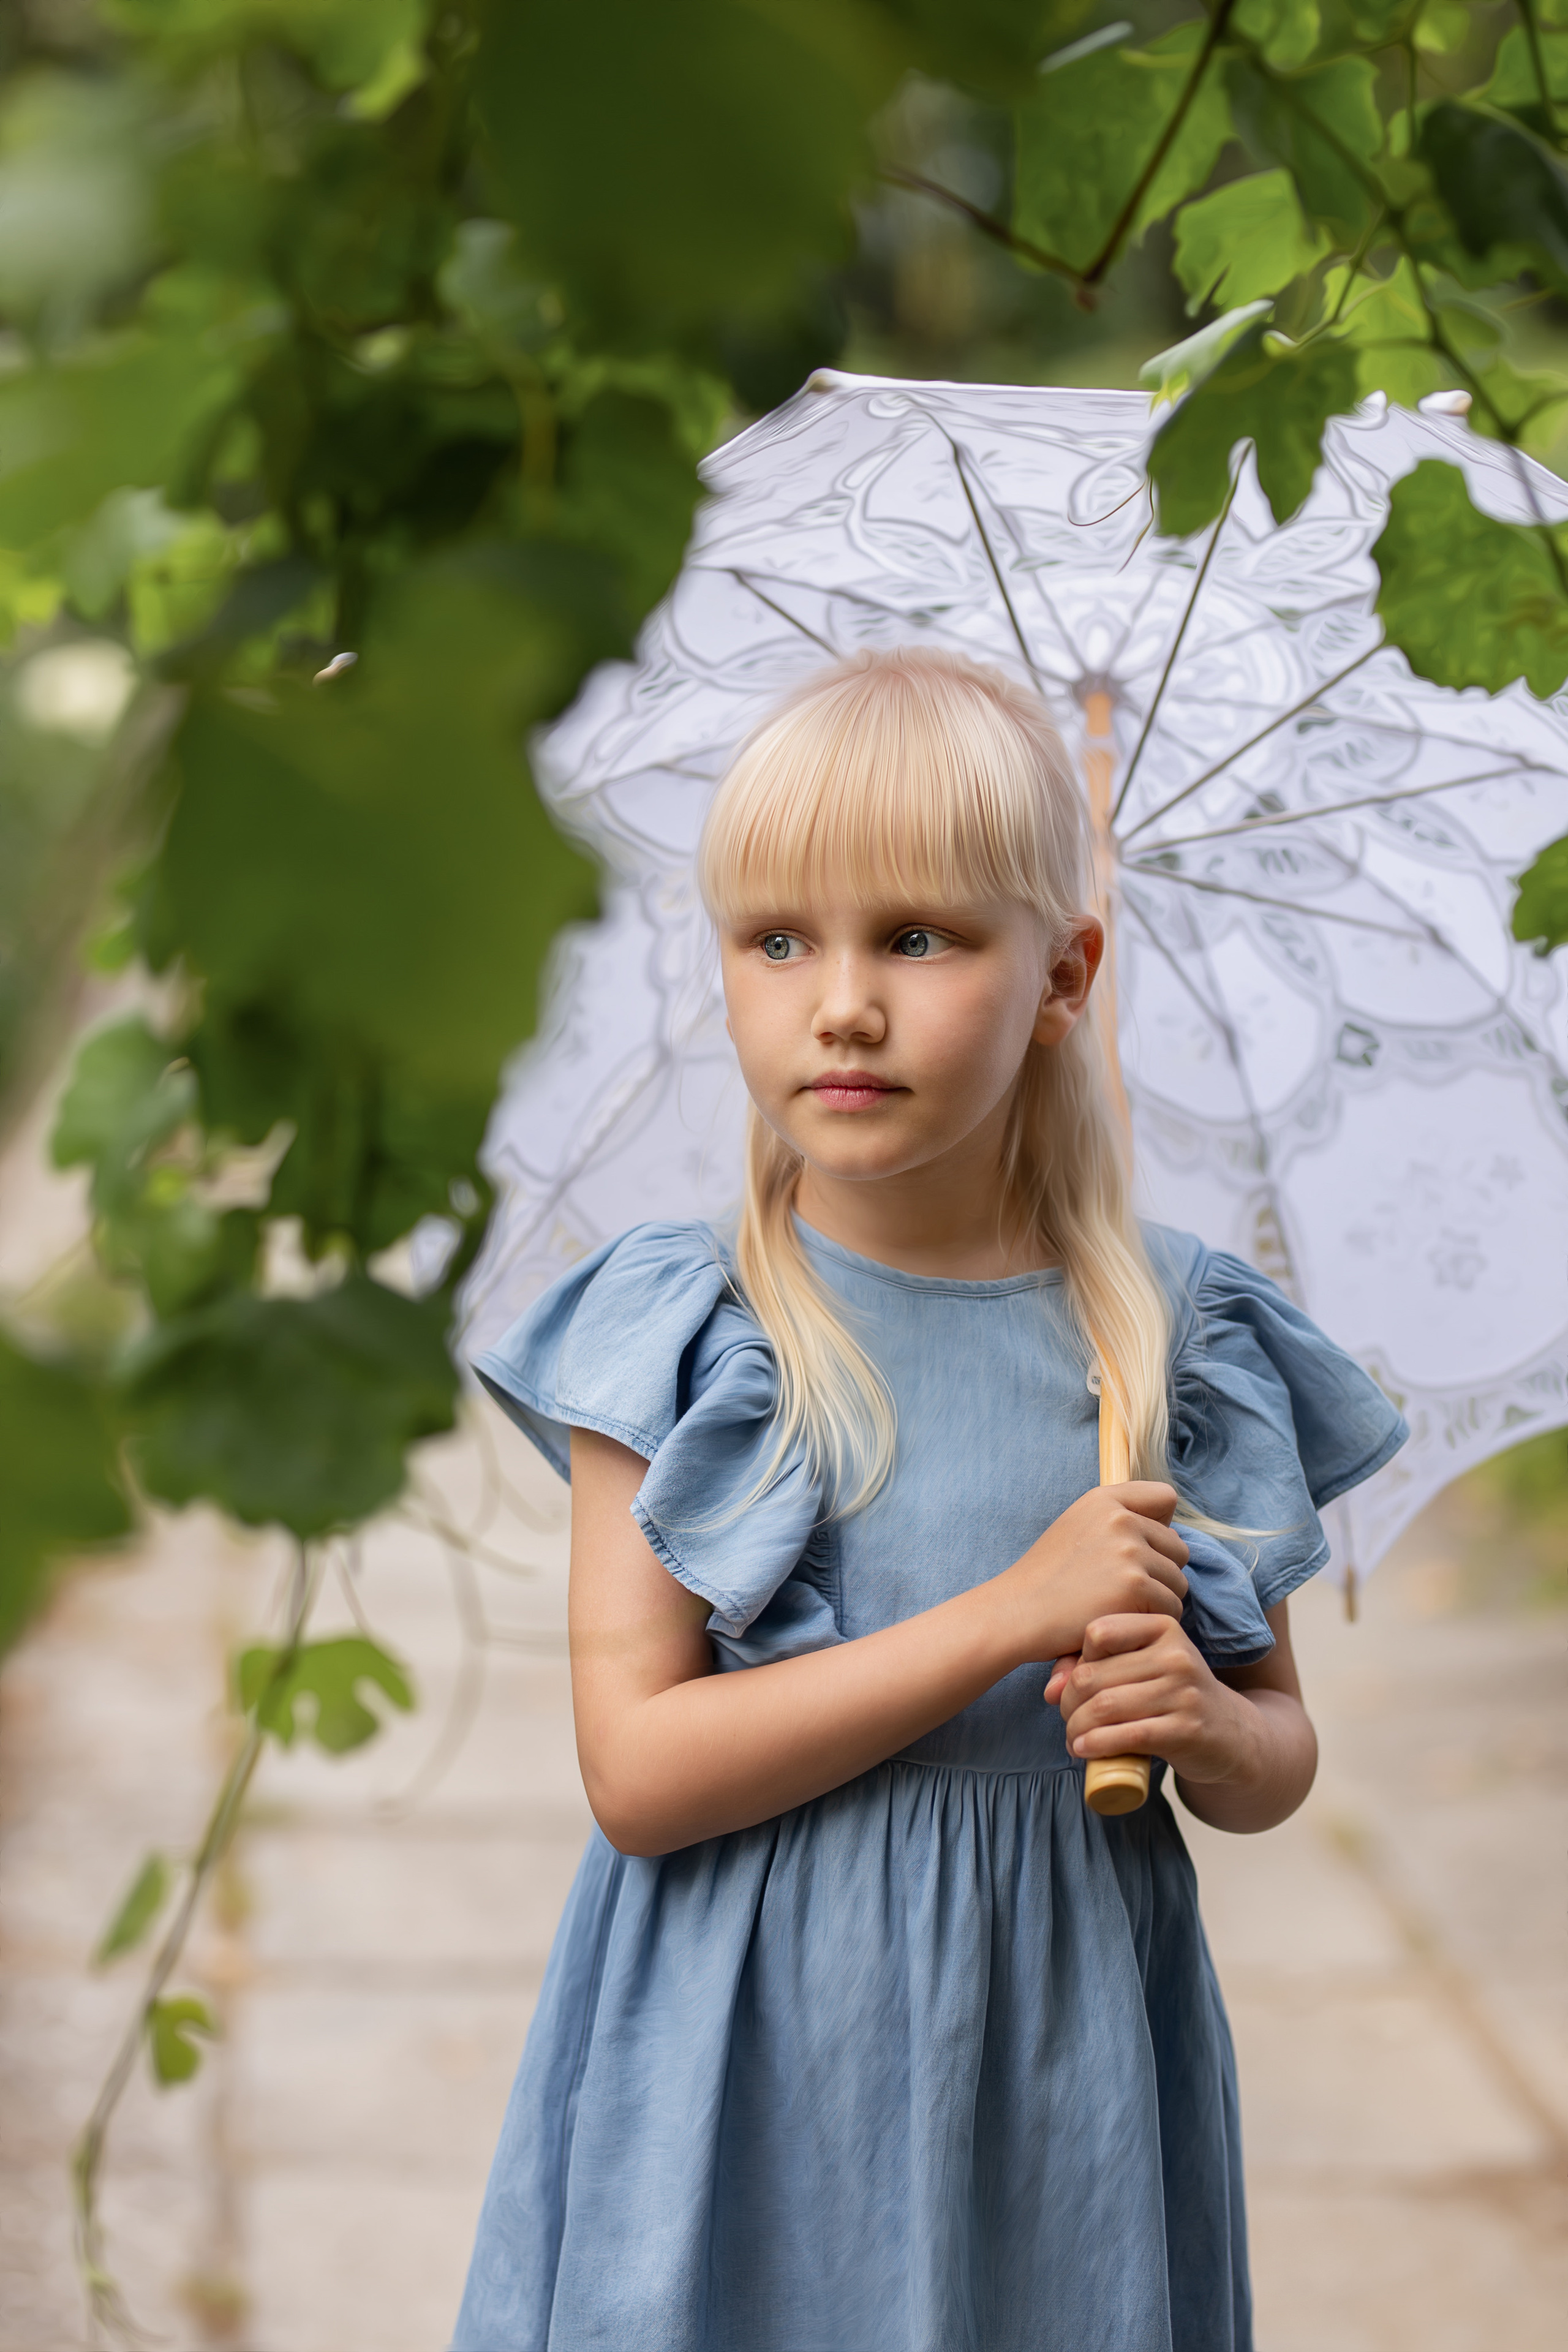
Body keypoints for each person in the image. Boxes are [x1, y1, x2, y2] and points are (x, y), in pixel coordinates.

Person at [451, 648, 1406, 2352]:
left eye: (919, 937)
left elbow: (1275, 1759)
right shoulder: (689, 1330)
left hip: (1058, 2061)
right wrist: (1009, 1614)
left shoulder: (1166, 1342)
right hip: (740, 2063)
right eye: (778, 940)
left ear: (1063, 975)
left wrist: (1200, 1716)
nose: (842, 1004)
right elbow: (642, 1775)